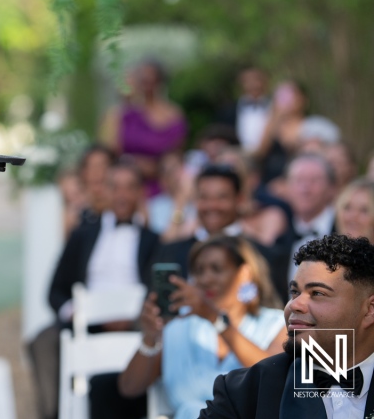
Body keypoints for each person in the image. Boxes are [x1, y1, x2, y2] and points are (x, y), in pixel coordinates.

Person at [28, 161, 160, 419]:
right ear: (105, 191)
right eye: (115, 187)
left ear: (140, 193)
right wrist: (74, 313)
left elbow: (155, 288)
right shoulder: (83, 234)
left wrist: (135, 315)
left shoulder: (153, 240)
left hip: (135, 322)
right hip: (85, 321)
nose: (122, 195)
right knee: (43, 342)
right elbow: (55, 290)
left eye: (130, 188)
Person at [104, 236, 285, 419]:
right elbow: (129, 387)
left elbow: (273, 380)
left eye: (216, 269)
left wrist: (217, 320)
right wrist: (151, 336)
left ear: (244, 273)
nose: (205, 279)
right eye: (198, 271)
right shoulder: (178, 326)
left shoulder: (276, 324)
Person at [199, 234, 374, 418]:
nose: (294, 305)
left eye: (317, 293)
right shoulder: (244, 392)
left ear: (370, 310)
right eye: (295, 292)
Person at [100, 59, 187, 196]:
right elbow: (108, 150)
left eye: (151, 79)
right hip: (126, 186)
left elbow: (176, 155)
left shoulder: (173, 115)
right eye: (142, 79)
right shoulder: (122, 115)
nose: (147, 83)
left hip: (162, 187)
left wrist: (155, 168)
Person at [271, 153, 337, 300]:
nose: (305, 189)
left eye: (315, 180)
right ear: (286, 188)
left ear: (331, 188)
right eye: (298, 180)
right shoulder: (279, 241)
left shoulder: (346, 232)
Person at [214, 147, 288, 246]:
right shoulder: (204, 216)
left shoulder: (272, 215)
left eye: (233, 176)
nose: (224, 184)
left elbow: (267, 256)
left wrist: (236, 220)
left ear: (253, 179)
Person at [254, 80, 309, 189]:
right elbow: (260, 153)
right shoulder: (270, 123)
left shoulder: (309, 125)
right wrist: (275, 119)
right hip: (270, 179)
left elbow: (292, 146)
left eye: (290, 95)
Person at [217, 66, 271, 153]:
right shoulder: (228, 111)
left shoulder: (275, 108)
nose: (253, 84)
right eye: (248, 81)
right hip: (238, 156)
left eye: (257, 79)